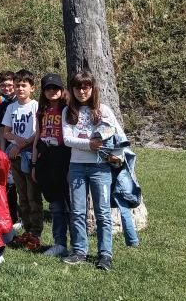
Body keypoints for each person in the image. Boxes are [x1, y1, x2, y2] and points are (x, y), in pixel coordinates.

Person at [61, 71, 127, 271]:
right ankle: (79, 250)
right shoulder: (68, 112)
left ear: (92, 89)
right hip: (77, 167)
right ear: (72, 90)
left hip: (100, 167)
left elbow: (120, 135)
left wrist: (118, 155)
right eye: (77, 88)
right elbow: (67, 139)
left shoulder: (104, 110)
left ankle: (105, 254)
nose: (82, 92)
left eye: (86, 87)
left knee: (103, 213)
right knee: (78, 212)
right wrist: (90, 144)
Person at [1, 69, 43, 247]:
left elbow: (38, 131)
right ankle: (26, 229)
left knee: (33, 194)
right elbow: (6, 132)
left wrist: (22, 143)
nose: (19, 89)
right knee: (22, 194)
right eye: (17, 85)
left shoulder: (35, 106)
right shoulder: (11, 107)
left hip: (29, 152)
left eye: (23, 85)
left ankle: (36, 230)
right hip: (15, 155)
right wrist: (15, 141)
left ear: (31, 88)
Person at [31, 73, 72, 258]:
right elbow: (37, 137)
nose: (52, 91)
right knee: (55, 204)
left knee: (70, 203)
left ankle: (78, 244)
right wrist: (33, 163)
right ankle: (59, 243)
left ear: (62, 90)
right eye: (48, 88)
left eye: (55, 88)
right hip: (45, 158)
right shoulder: (42, 110)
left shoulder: (68, 109)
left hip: (64, 157)